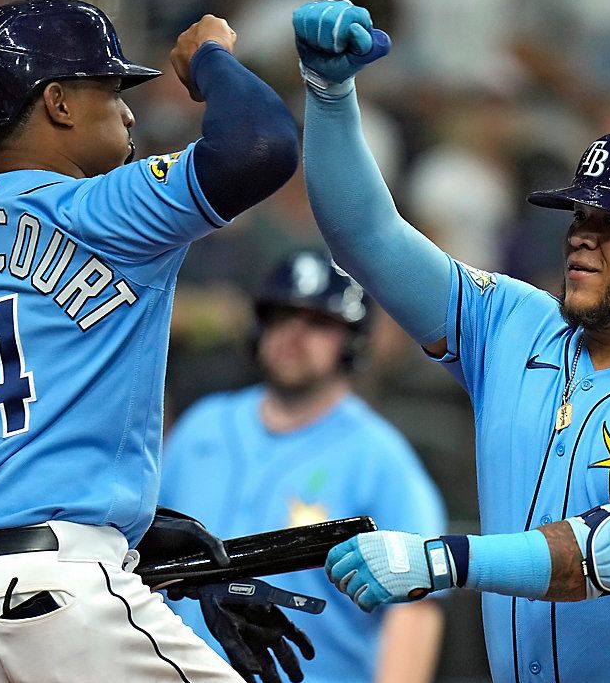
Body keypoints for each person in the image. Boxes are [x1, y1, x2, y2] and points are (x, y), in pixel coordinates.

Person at [290, 0, 610, 682]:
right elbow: (366, 236)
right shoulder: (512, 322)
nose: (580, 233)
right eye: (580, 214)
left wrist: (447, 559)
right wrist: (330, 94)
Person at [0, 0, 300, 682]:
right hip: (52, 600)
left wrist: (133, 524)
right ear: (59, 103)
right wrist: (213, 59)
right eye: (109, 90)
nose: (129, 112)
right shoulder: (102, 208)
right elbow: (263, 144)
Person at [161, 250, 448, 683]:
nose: (295, 333)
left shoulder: (380, 457)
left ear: (353, 342)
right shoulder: (202, 425)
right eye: (283, 316)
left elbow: (417, 606)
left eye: (318, 323)